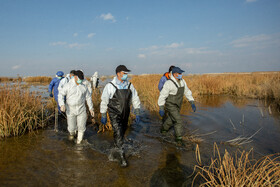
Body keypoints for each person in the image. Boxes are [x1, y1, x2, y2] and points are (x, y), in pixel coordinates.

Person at [100, 65, 141, 167]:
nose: (126, 75)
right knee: (118, 131)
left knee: (122, 132)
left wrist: (137, 110)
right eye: (124, 73)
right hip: (114, 114)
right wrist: (103, 114)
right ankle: (122, 157)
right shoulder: (110, 86)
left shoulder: (129, 85)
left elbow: (135, 98)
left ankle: (116, 146)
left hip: (125, 114)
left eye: (127, 73)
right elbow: (104, 100)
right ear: (118, 73)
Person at [158, 66, 196, 146]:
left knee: (172, 119)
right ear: (174, 74)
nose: (181, 74)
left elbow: (187, 91)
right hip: (170, 104)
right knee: (178, 120)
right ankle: (178, 139)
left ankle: (163, 130)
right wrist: (161, 107)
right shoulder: (169, 83)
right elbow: (162, 95)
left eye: (181, 73)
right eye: (179, 73)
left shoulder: (182, 81)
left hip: (178, 103)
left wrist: (191, 101)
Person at [58, 70, 95, 144]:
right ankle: (71, 138)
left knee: (81, 127)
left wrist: (91, 108)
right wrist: (62, 104)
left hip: (81, 109)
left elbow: (88, 97)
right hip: (70, 110)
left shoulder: (83, 87)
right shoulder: (68, 86)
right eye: (79, 79)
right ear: (75, 77)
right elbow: (61, 95)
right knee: (71, 128)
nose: (81, 81)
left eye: (82, 79)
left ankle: (79, 143)